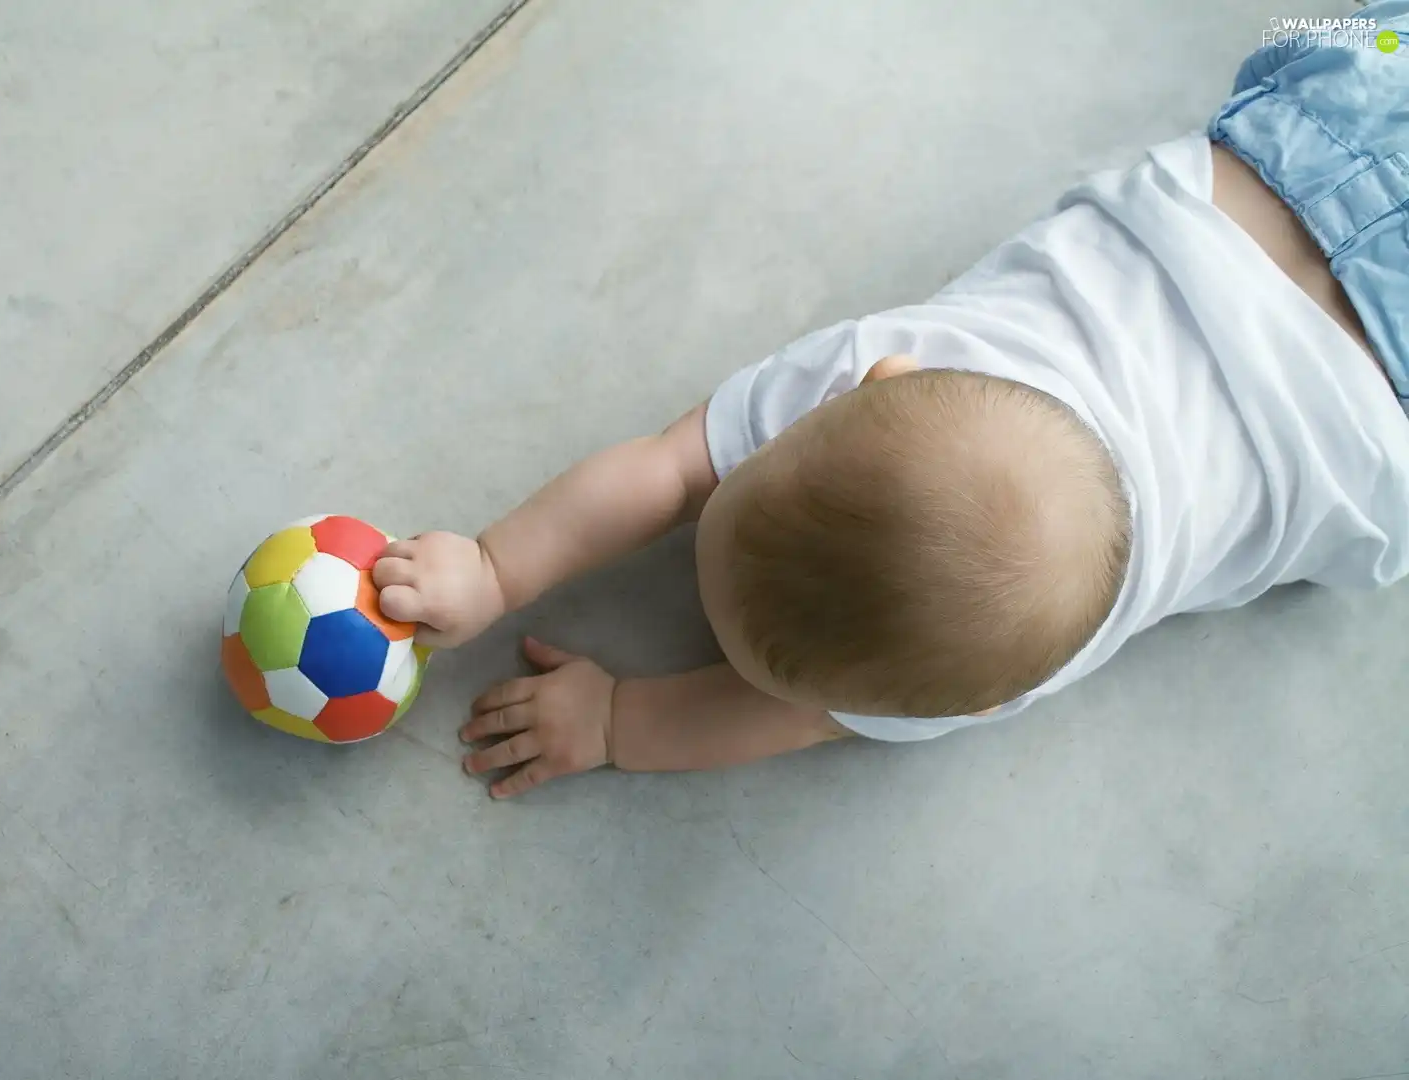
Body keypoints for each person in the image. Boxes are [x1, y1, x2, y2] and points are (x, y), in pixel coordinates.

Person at [373, 7, 1409, 798]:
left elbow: (791, 702)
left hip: (1364, 373)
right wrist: (493, 571)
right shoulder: (880, 373)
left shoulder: (1009, 653)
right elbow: (673, 466)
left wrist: (611, 719)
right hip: (1318, 137)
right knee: (1335, 30)